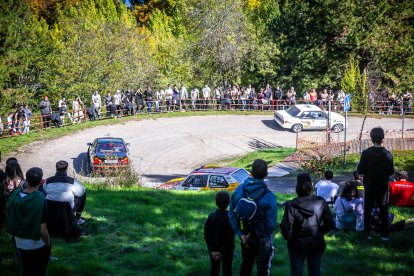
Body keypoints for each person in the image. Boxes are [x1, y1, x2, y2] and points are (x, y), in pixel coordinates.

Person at [228, 159, 277, 276]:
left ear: (250, 172)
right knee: (262, 268)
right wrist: (265, 235)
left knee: (246, 265)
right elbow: (271, 222)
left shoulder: (239, 190)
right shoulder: (270, 196)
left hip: (245, 235)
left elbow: (231, 214)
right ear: (266, 175)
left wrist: (240, 234)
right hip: (263, 237)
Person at [280, 173, 334, 276]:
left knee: (296, 272)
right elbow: (330, 223)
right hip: (315, 242)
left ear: (297, 186)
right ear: (311, 184)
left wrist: (290, 238)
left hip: (297, 244)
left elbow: (286, 228)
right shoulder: (320, 202)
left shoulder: (292, 205)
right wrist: (319, 232)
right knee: (315, 272)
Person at [6, 167, 51, 275]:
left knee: (26, 268)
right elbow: (42, 229)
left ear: (26, 179)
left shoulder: (15, 196)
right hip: (35, 243)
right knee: (39, 270)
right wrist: (48, 243)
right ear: (41, 181)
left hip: (19, 241)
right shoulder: (40, 200)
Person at [357, 127, 394, 240]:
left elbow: (360, 170)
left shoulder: (366, 153)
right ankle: (384, 234)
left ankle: (367, 233)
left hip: (369, 185)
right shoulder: (387, 154)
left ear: (371, 138)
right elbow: (391, 172)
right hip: (382, 186)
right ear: (383, 138)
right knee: (383, 208)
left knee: (367, 208)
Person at [43, 160, 86, 224]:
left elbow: (45, 190)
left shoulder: (47, 181)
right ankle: (77, 218)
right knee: (83, 193)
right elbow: (81, 191)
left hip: (51, 208)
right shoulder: (72, 181)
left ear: (56, 169)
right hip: (67, 209)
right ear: (66, 169)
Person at [204, 191, 235, 276]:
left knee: (214, 270)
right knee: (227, 270)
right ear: (229, 203)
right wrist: (221, 251)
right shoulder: (231, 218)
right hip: (227, 250)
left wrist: (212, 250)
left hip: (214, 249)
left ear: (215, 202)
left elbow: (207, 235)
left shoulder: (211, 217)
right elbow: (230, 237)